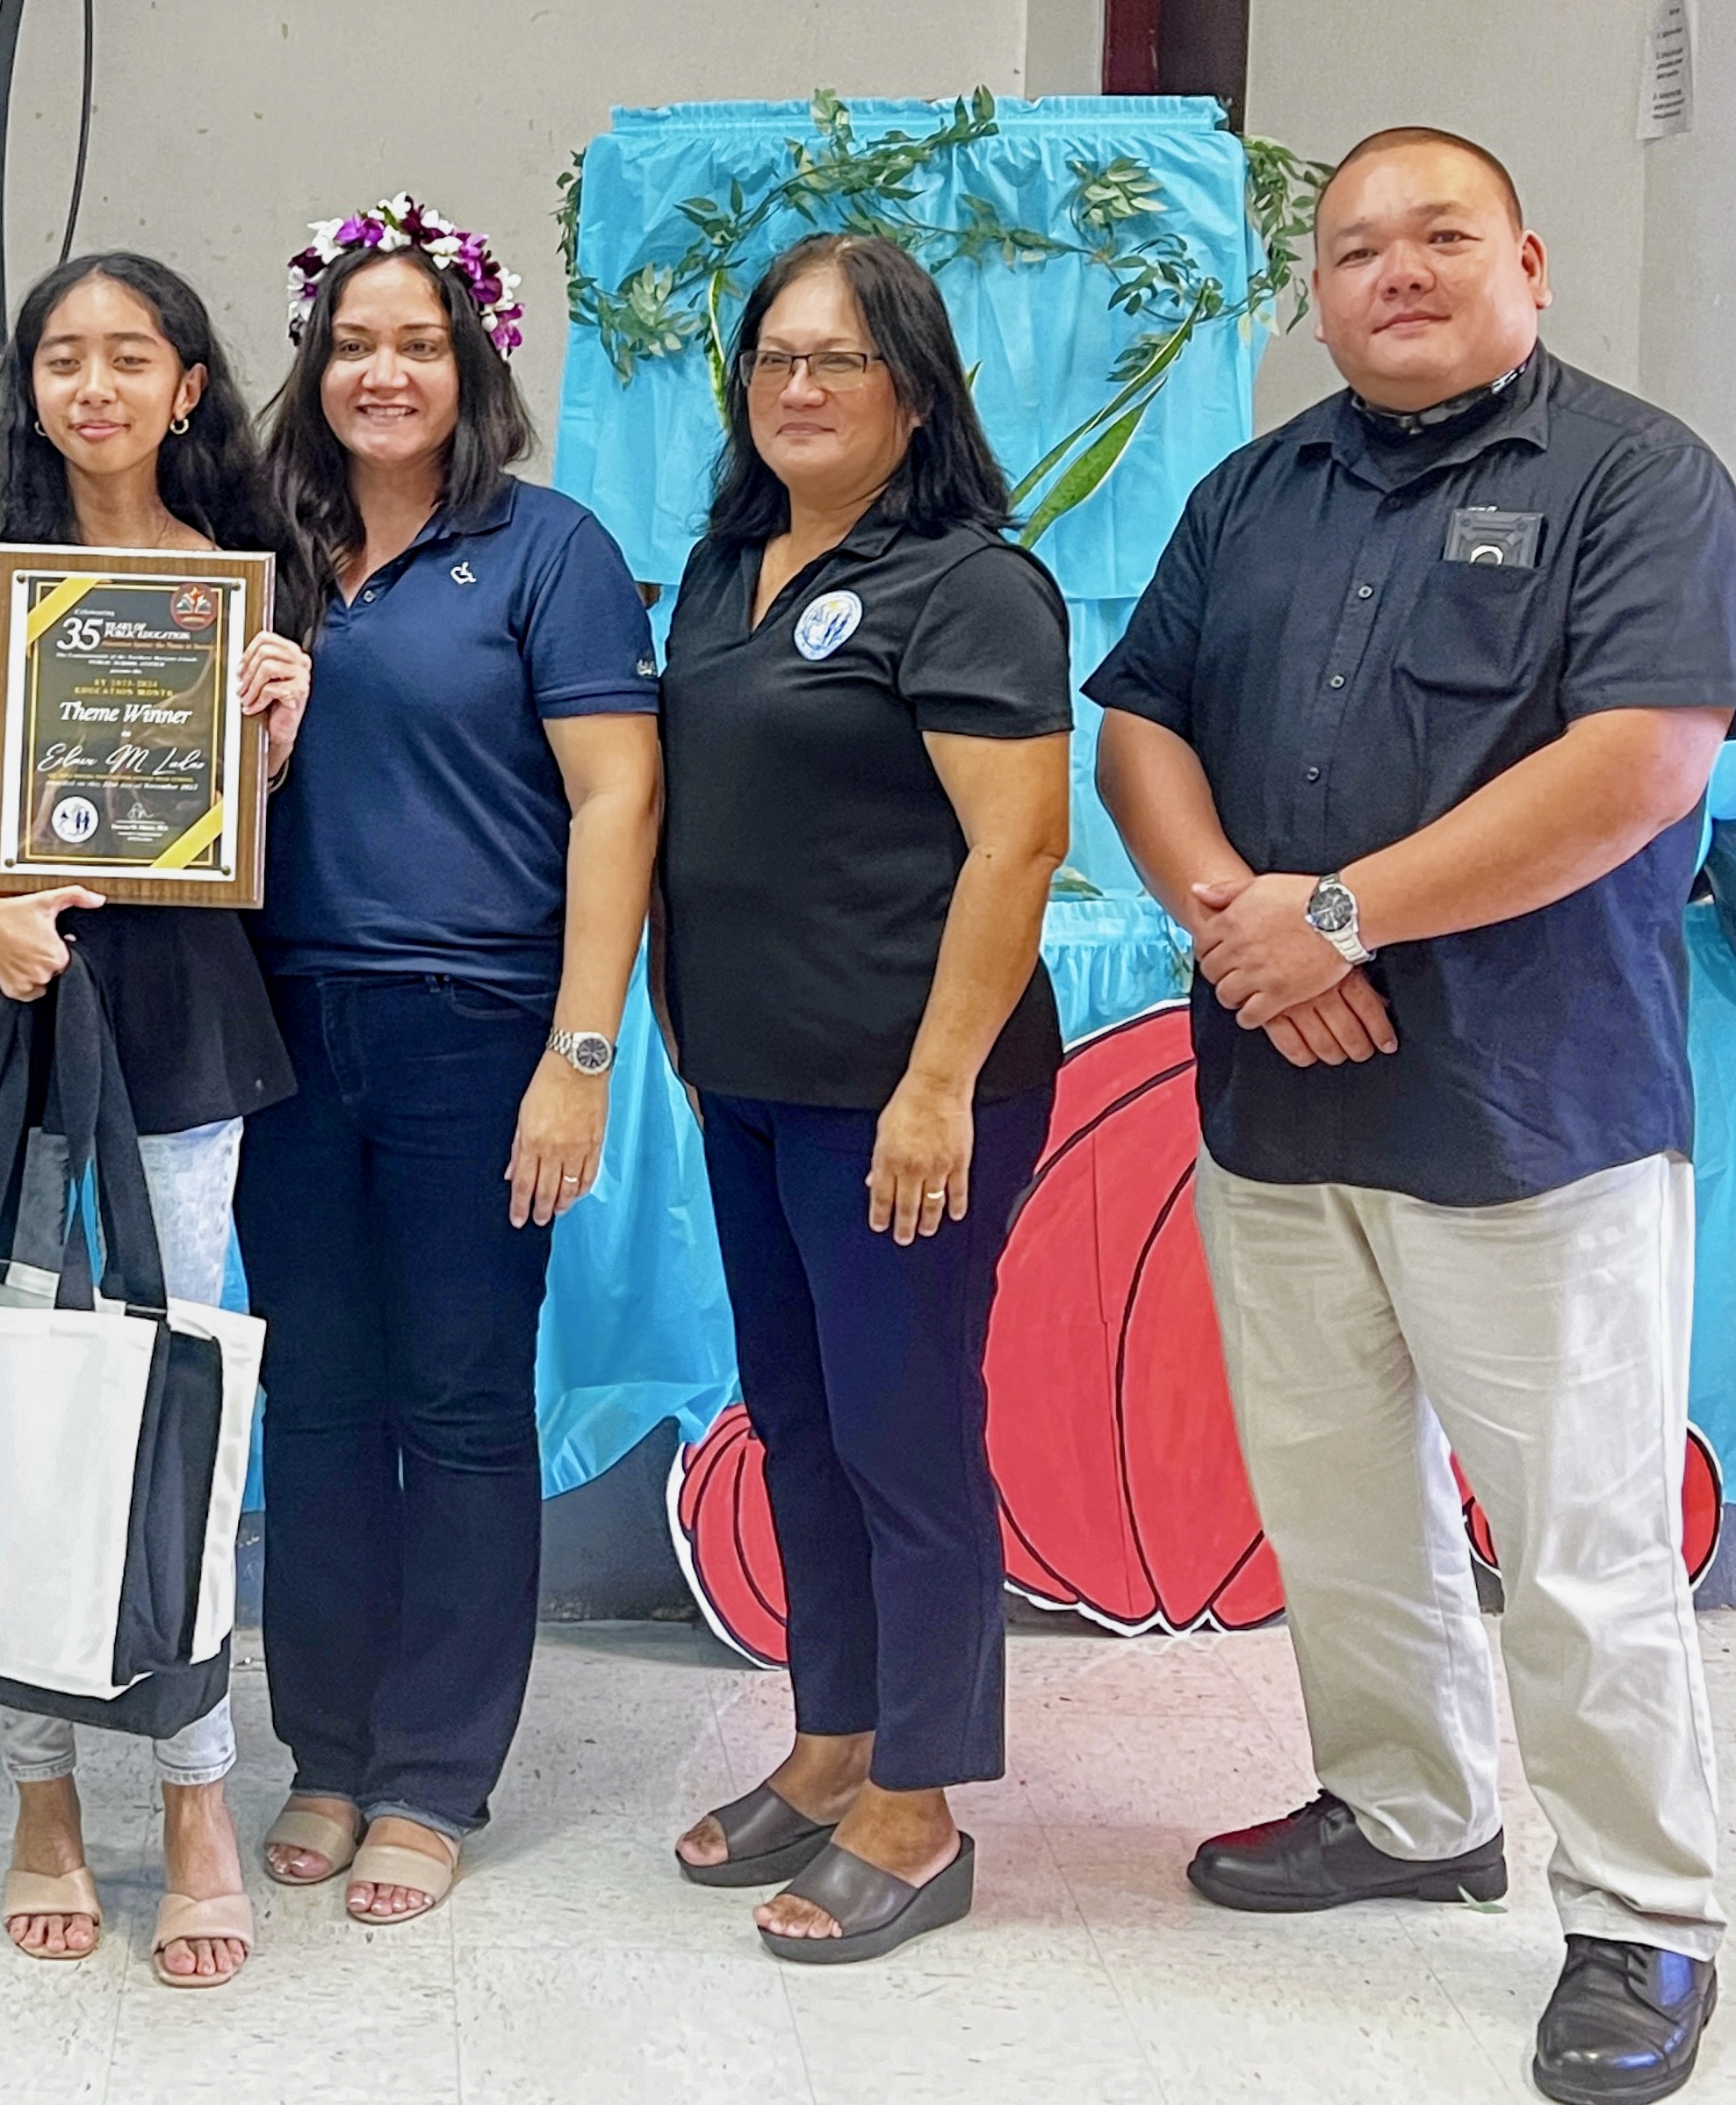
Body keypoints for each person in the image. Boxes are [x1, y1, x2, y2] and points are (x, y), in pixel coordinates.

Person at [1089, 128, 1736, 2105]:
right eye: (1352, 247)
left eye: (1436, 236)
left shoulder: (1634, 480)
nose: (1391, 270)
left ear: (1527, 261)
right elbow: (1137, 719)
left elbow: (1638, 764)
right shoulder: (1250, 490)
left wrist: (1334, 917)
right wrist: (1233, 919)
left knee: (1576, 1539)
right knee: (1335, 1503)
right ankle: (1405, 1809)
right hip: (1273, 1107)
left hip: (1525, 1112)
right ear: (1313, 287)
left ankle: (1644, 1911)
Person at [0, 249, 312, 1987]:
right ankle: (39, 1783)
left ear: (190, 385)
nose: (95, 385)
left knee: (178, 1400)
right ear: (25, 386)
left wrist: (276, 719)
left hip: (181, 1027)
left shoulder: (250, 599)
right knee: (7, 1391)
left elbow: (248, 829)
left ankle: (195, 1786)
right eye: (61, 357)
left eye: (131, 356)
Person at [235, 198, 661, 1926]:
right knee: (313, 1401)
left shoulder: (546, 547)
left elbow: (617, 798)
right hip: (275, 1030)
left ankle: (431, 1771)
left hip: (476, 1029)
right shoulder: (248, 551)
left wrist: (579, 1051)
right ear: (312, 366)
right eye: (353, 342)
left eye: (417, 340)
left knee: (462, 1403)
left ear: (470, 357)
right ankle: (323, 1749)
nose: (384, 370)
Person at [656, 234, 1070, 1963]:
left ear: (914, 386)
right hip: (749, 1081)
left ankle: (917, 1794)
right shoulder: (726, 561)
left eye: (835, 359)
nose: (797, 388)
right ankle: (830, 1738)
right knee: (802, 1423)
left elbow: (1016, 841)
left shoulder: (968, 582)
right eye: (771, 359)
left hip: (902, 1097)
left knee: (901, 1434)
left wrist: (932, 1084)